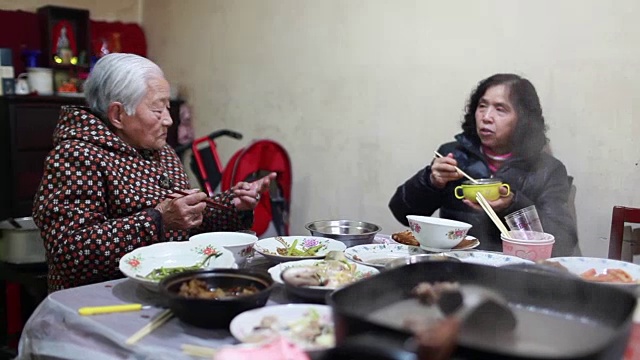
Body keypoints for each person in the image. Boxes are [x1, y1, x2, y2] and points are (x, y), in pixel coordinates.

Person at [32, 53, 276, 292]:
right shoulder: (76, 156)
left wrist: (233, 204)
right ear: (118, 114)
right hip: (104, 296)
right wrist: (157, 220)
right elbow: (70, 252)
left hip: (169, 288)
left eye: (168, 108)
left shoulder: (161, 151)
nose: (168, 120)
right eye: (158, 111)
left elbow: (186, 221)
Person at [389, 73, 579, 256]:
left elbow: (563, 241)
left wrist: (512, 205)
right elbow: (401, 212)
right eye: (482, 106)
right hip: (454, 265)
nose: (486, 117)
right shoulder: (455, 155)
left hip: (514, 273)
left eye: (500, 109)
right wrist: (430, 180)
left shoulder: (547, 169)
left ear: (523, 119)